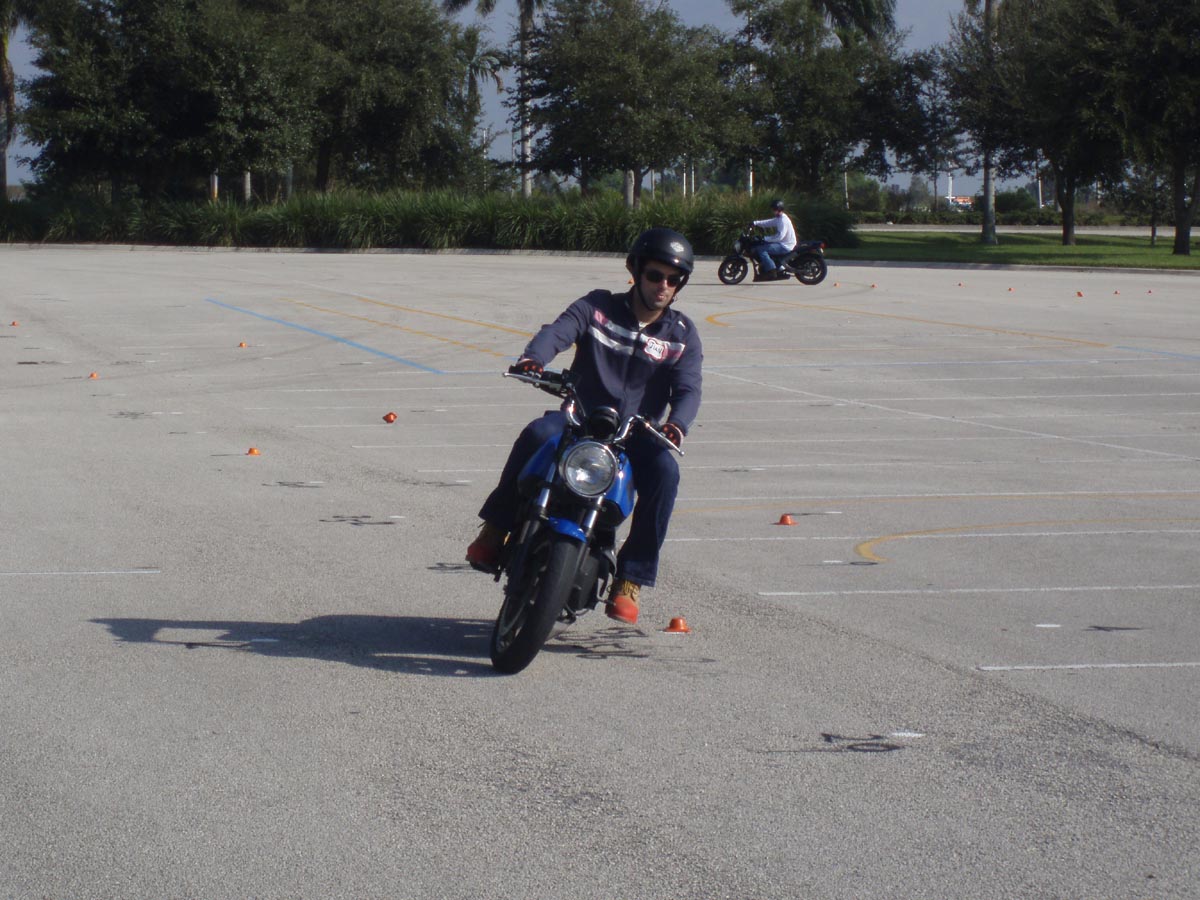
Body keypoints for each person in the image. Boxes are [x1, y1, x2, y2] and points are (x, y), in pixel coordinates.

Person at [465, 227, 703, 626]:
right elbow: (558, 331)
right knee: (537, 434)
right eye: (655, 275)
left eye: (674, 279)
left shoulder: (682, 335)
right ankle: (495, 528)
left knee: (666, 471)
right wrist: (534, 359)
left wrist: (677, 424)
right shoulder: (598, 307)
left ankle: (630, 577)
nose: (663, 285)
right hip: (580, 419)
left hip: (635, 435)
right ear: (635, 270)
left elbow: (689, 387)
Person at [749, 198, 797, 281]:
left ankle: (772, 270)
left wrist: (765, 238)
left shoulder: (783, 220)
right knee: (763, 245)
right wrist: (755, 223)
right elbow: (769, 222)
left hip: (785, 245)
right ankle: (773, 266)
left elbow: (779, 237)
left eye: (774, 209)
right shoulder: (779, 218)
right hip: (783, 243)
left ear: (779, 209)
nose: (773, 211)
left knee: (761, 249)